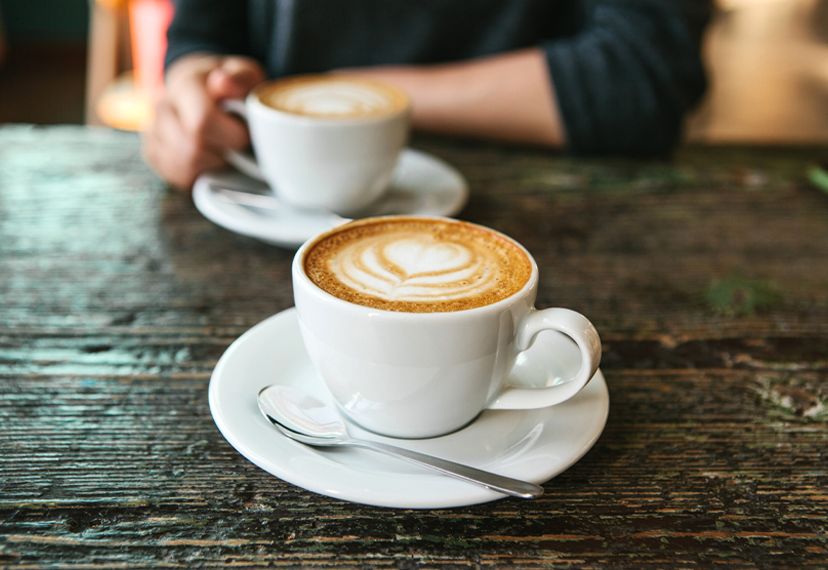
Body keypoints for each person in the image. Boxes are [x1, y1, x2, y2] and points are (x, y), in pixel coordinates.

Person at [143, 0, 710, 190]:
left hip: (545, 204)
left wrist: (337, 99)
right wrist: (195, 93)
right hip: (268, 201)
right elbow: (204, 33)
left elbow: (645, 74)